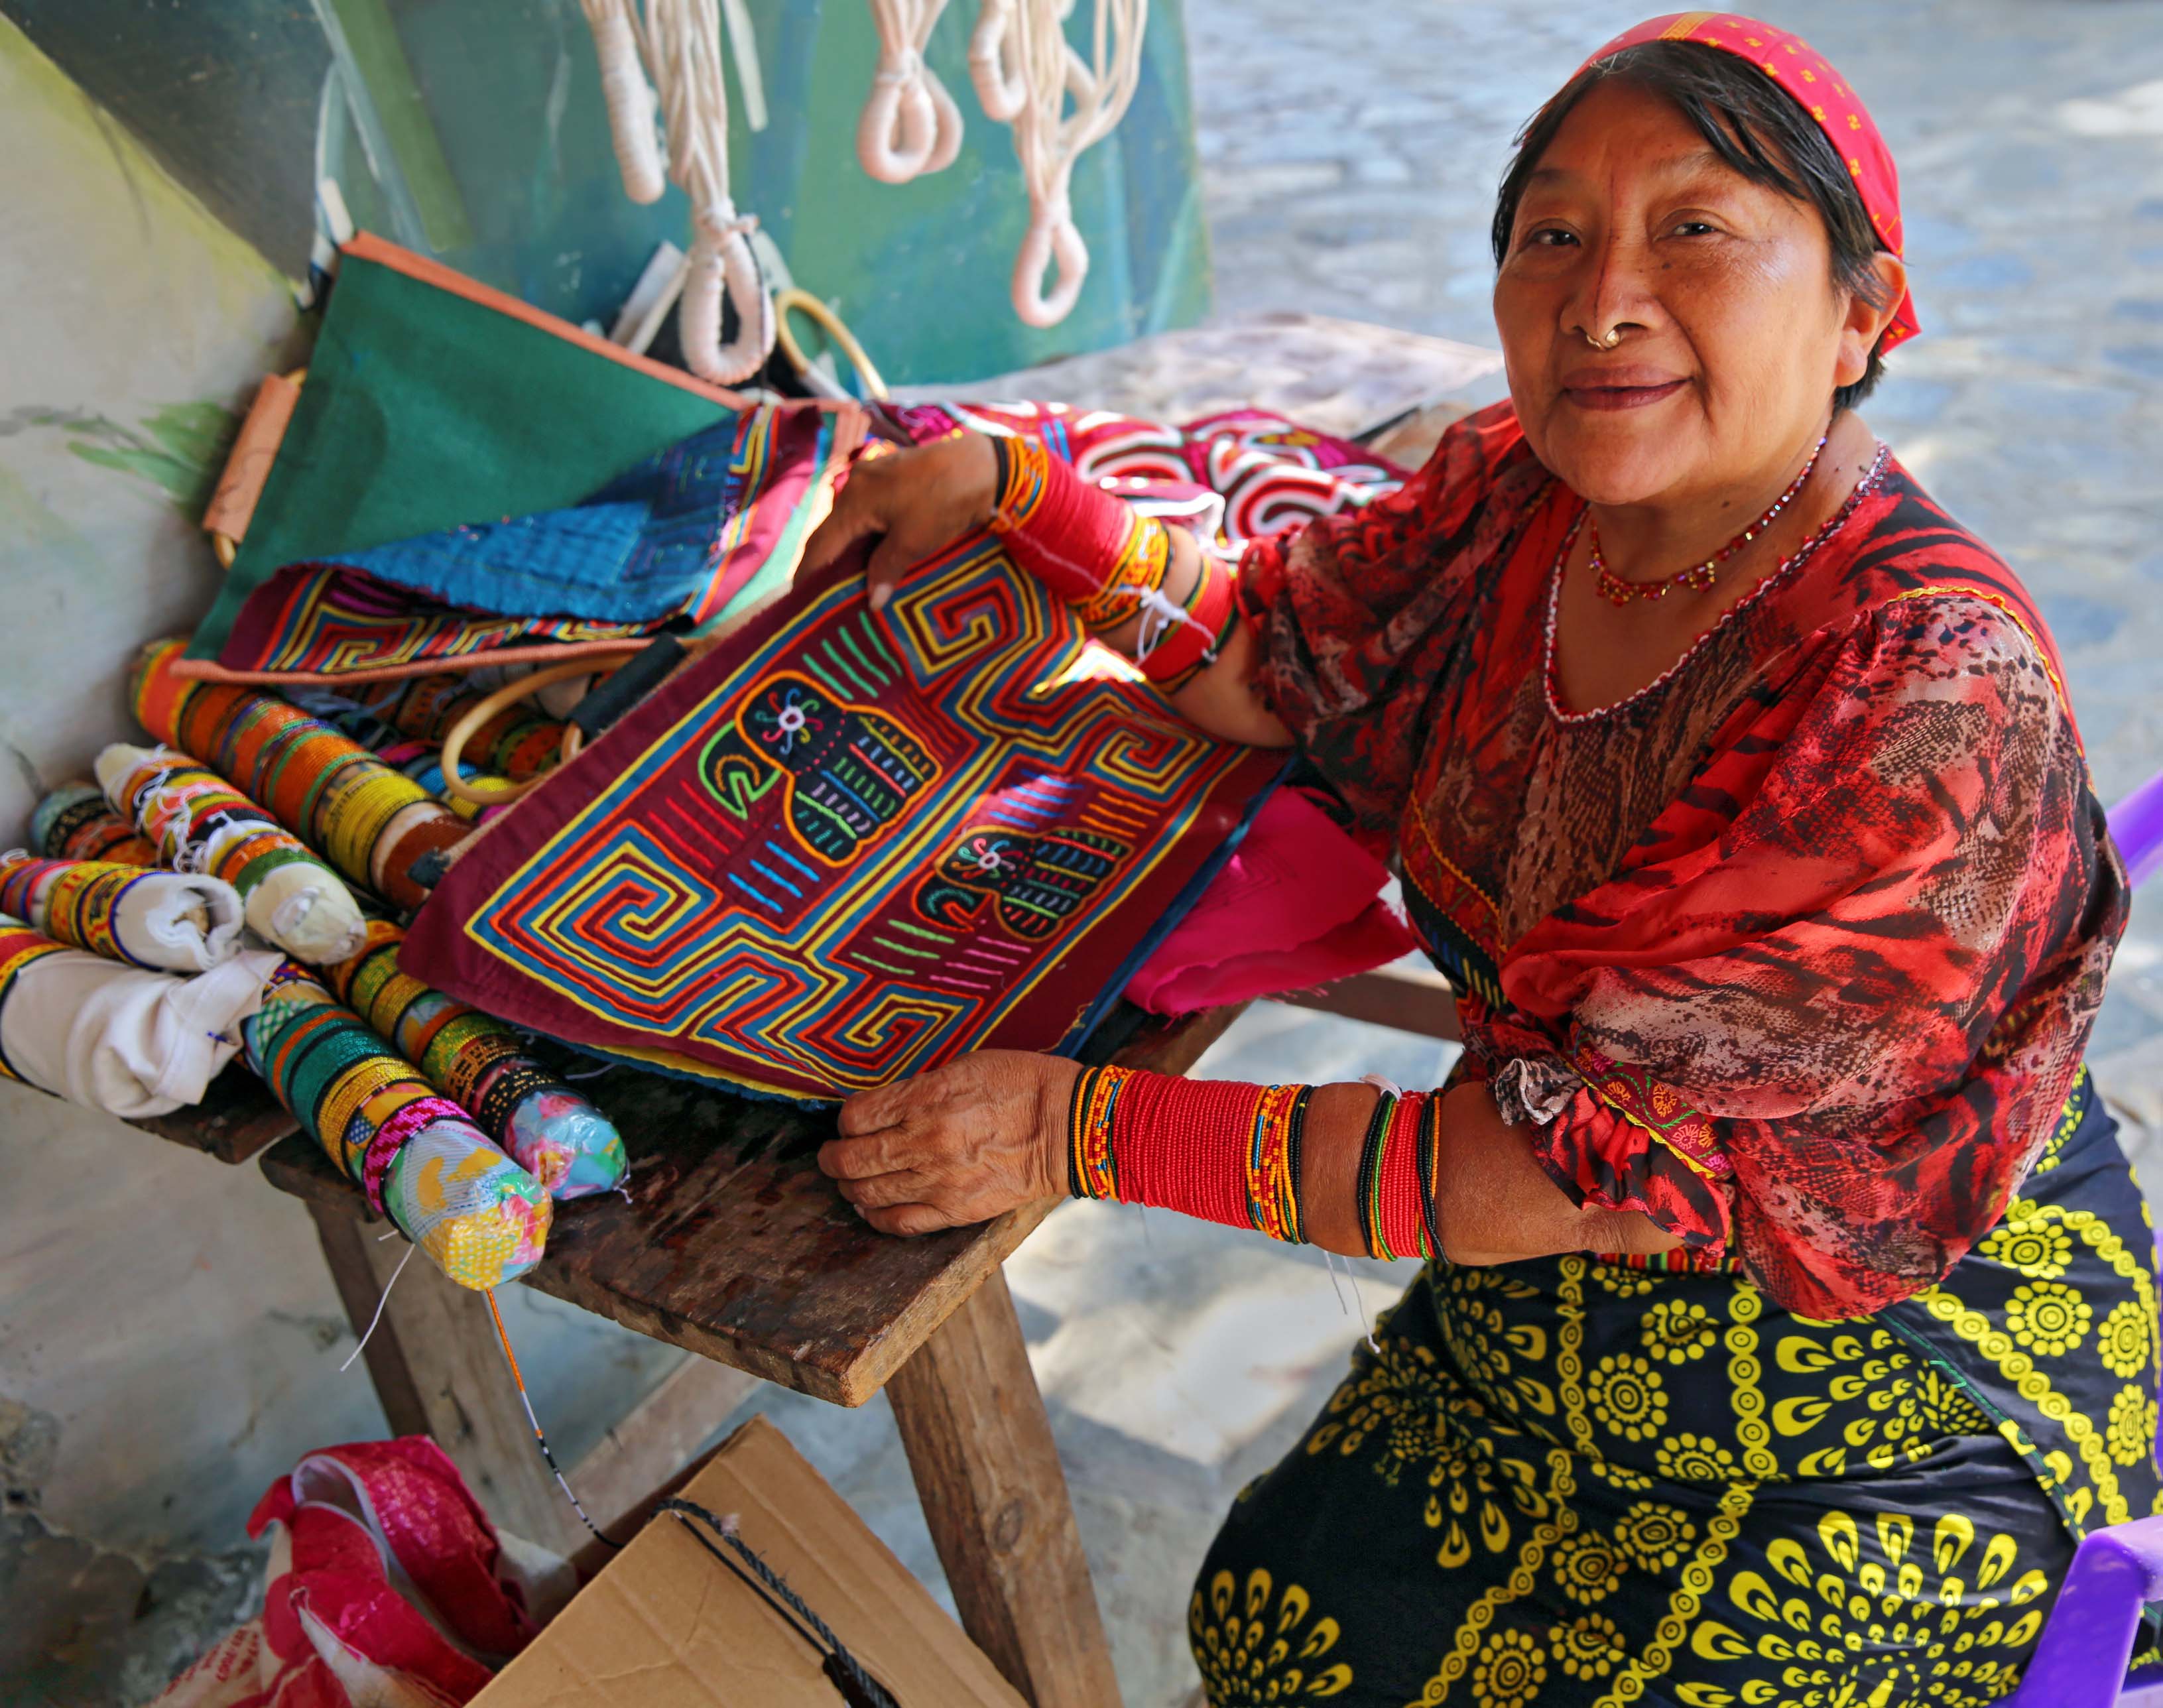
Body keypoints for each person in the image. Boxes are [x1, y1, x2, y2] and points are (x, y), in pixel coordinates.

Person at [802, 15, 2150, 1704]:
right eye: (1551, 235)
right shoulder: (1522, 507)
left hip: (1880, 1368)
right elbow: (1268, 654)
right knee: (1270, 1608)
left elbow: (1534, 1177)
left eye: (1695, 228)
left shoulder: (1915, 694)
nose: (1601, 301)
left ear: (1861, 311)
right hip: (1554, 1292)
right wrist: (1018, 493)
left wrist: (1075, 1127)